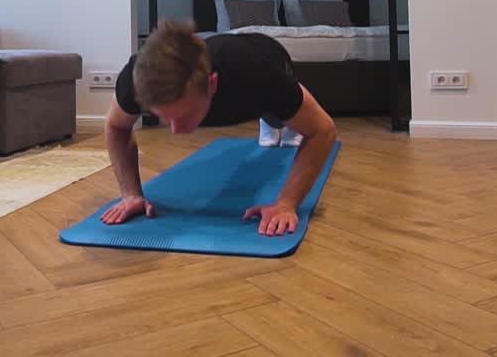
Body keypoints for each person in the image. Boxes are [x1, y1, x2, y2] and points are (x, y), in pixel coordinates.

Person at [101, 19, 338, 236]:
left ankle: (275, 121)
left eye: (185, 115)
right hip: (237, 71)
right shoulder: (137, 79)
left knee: (280, 119)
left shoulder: (258, 73)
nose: (176, 130)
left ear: (212, 84)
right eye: (164, 118)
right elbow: (115, 126)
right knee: (275, 116)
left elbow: (322, 130)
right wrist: (131, 194)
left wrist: (286, 204)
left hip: (268, 54)